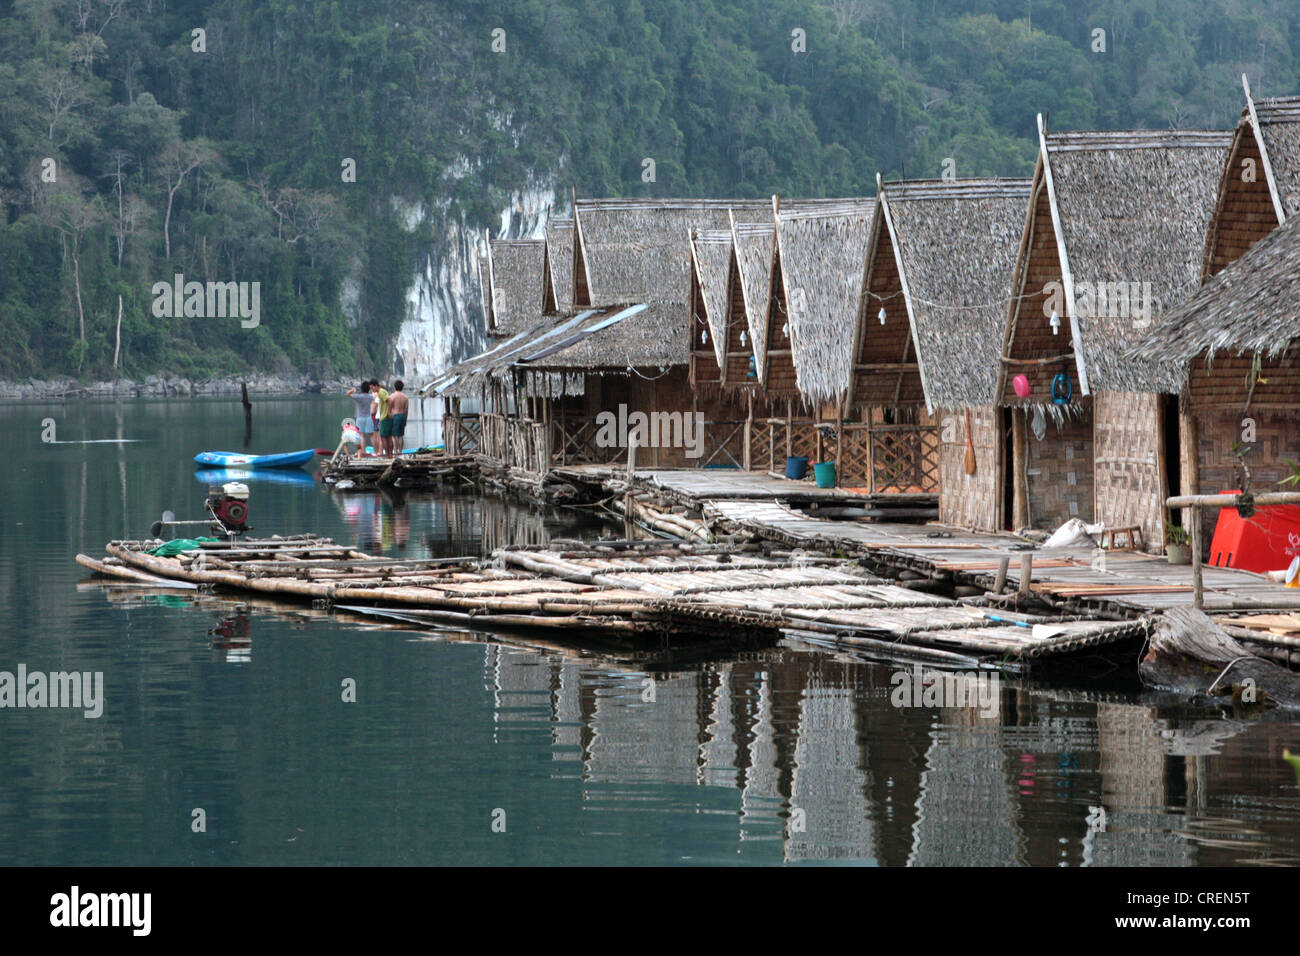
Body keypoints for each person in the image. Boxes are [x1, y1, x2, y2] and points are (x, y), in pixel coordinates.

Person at [346, 381, 373, 457]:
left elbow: (348, 394)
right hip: (368, 417)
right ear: (368, 389)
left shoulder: (358, 396)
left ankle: (362, 452)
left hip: (360, 417)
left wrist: (352, 390)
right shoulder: (371, 396)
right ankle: (376, 452)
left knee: (361, 436)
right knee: (371, 435)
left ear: (361, 388)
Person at [370, 378, 392, 457]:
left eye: (372, 388)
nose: (372, 390)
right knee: (387, 437)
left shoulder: (381, 392)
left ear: (376, 386)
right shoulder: (381, 392)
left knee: (383, 437)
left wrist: (388, 412)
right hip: (383, 416)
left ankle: (387, 455)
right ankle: (389, 455)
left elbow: (389, 399)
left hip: (384, 417)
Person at [388, 380, 409, 457]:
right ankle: (400, 451)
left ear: (394, 387)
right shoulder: (405, 397)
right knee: (400, 436)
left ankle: (395, 450)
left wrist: (390, 418)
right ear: (402, 388)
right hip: (402, 416)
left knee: (393, 435)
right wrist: (405, 420)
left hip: (395, 416)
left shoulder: (392, 396)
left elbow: (389, 409)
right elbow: (406, 410)